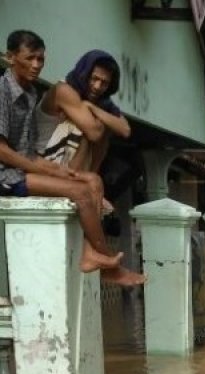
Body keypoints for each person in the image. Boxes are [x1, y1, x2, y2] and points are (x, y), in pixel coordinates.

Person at [0, 30, 144, 286]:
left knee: (94, 183)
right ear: (10, 58)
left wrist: (48, 168)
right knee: (80, 192)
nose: (36, 65)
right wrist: (50, 171)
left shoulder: (31, 92)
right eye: (30, 58)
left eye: (41, 59)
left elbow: (28, 150)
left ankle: (91, 255)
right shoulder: (2, 91)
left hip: (23, 170)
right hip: (6, 177)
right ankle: (111, 265)